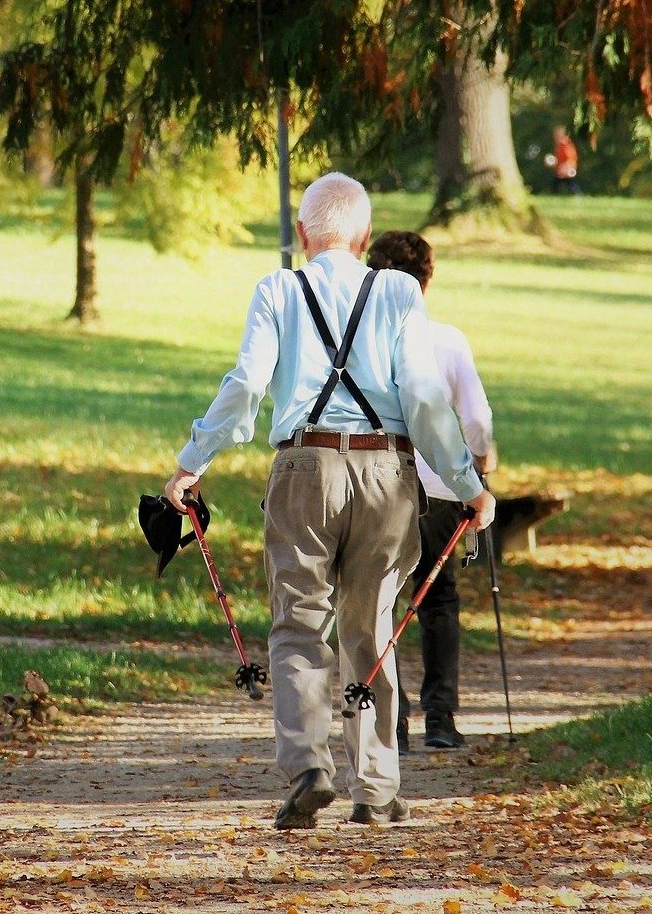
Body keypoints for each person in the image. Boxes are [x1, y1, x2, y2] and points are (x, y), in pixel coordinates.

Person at [163, 173, 496, 830]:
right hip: (385, 470)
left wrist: (190, 463)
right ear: (365, 237)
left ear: (301, 235)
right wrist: (468, 485)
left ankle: (309, 768)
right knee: (372, 628)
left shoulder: (278, 289)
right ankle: (376, 787)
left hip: (303, 467)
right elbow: (426, 401)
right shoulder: (399, 291)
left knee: (297, 624)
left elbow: (246, 385)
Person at [364, 230, 495, 752]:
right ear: (428, 279)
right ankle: (440, 717)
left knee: (382, 599)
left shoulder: (364, 342)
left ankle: (390, 723)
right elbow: (477, 417)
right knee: (438, 599)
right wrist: (482, 459)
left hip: (381, 483)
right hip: (442, 486)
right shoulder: (447, 340)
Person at [550, 126, 581, 196]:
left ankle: (578, 195)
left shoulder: (564, 144)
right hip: (564, 168)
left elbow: (569, 157)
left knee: (568, 183)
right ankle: (578, 195)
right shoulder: (560, 145)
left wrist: (565, 168)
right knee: (562, 183)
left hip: (567, 168)